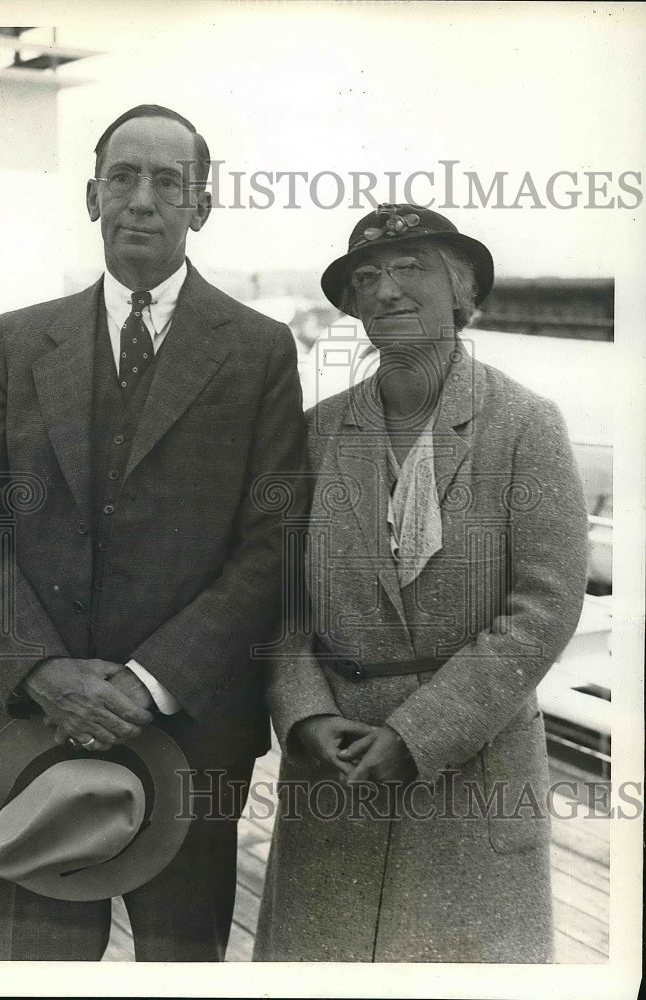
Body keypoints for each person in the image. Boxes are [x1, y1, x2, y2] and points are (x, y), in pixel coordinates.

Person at [0, 104, 307, 961]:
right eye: (122, 178)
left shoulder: (259, 352)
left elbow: (273, 543)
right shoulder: (13, 342)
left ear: (201, 206)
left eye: (167, 183)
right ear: (92, 196)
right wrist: (41, 672)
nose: (142, 200)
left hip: (191, 732)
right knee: (20, 969)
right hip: (31, 727)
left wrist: (148, 683)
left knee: (178, 965)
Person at [253, 203, 589, 963]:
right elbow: (276, 602)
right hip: (333, 773)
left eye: (411, 270)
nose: (386, 289)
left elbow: (545, 606)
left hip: (473, 772)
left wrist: (419, 734)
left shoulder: (524, 425)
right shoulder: (314, 432)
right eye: (365, 277)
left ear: (461, 293)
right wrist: (303, 714)